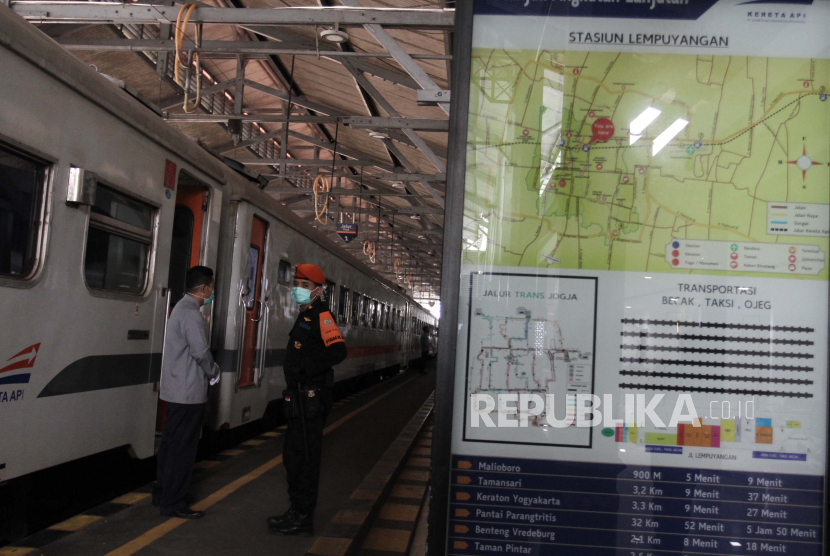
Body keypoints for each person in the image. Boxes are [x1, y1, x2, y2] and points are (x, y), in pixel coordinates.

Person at [268, 264, 347, 536]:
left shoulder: (322, 315)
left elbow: (338, 351)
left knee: (305, 458)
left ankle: (303, 518)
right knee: (294, 456)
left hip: (312, 398)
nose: (298, 289)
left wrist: (307, 369)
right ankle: (296, 510)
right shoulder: (306, 315)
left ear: (318, 290)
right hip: (299, 398)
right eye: (297, 284)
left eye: (304, 285)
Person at [153, 266, 220, 519]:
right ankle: (173, 502)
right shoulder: (192, 314)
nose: (212, 292)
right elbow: (200, 352)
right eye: (211, 288)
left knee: (170, 446)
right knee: (182, 449)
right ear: (203, 288)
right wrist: (214, 372)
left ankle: (162, 493)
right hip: (189, 393)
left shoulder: (179, 308)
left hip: (175, 390)